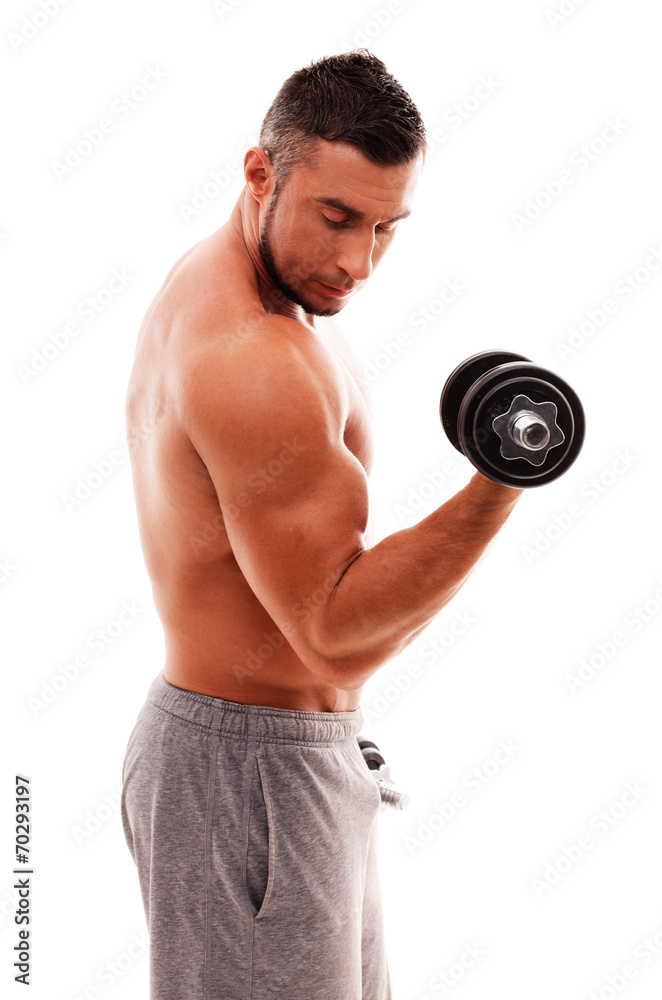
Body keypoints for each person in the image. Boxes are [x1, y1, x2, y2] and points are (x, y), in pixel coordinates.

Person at [120, 49, 523, 1000]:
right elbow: (335, 634)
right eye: (336, 217)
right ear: (260, 172)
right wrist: (501, 483)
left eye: (387, 227)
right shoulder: (249, 358)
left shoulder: (258, 291)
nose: (357, 262)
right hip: (249, 780)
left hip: (277, 765)